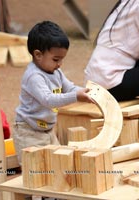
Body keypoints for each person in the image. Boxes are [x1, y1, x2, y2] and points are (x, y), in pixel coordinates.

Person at [13, 21, 93, 165]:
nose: (60, 64)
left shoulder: (56, 72)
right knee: (36, 172)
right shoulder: (34, 76)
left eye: (62, 59)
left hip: (48, 131)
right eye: (56, 59)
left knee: (58, 165)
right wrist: (76, 96)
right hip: (29, 132)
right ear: (38, 54)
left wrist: (85, 91)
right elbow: (48, 100)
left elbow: (70, 88)